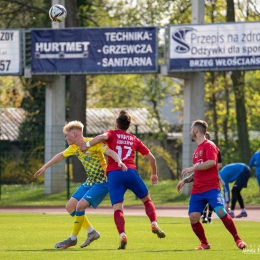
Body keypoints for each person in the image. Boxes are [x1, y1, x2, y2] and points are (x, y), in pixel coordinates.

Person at [34, 120, 127, 249]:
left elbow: (110, 152)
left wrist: (119, 162)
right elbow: (61, 155)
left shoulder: (93, 143)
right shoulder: (74, 148)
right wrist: (45, 167)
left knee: (80, 205)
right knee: (70, 206)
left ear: (74, 135)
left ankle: (72, 238)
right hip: (90, 181)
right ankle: (91, 232)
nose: (65, 138)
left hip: (102, 181)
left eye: (66, 135)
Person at [80, 110, 165, 249]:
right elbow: (152, 158)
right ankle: (154, 223)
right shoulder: (134, 139)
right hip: (130, 172)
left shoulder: (112, 133)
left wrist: (87, 145)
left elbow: (101, 137)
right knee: (146, 200)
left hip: (114, 174)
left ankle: (122, 235)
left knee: (118, 208)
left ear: (116, 123)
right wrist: (154, 174)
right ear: (128, 125)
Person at [176, 119, 247, 250]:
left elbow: (211, 163)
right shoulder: (196, 150)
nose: (190, 132)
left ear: (196, 131)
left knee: (220, 211)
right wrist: (185, 180)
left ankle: (238, 239)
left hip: (211, 188)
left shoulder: (209, 145)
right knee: (193, 217)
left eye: (191, 129)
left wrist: (192, 168)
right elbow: (199, 172)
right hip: (197, 190)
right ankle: (204, 243)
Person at [201, 131, 222, 224]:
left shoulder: (214, 149)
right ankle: (203, 215)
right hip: (201, 177)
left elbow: (220, 163)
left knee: (212, 197)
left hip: (212, 177)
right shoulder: (199, 149)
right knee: (202, 196)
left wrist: (210, 169)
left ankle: (208, 216)